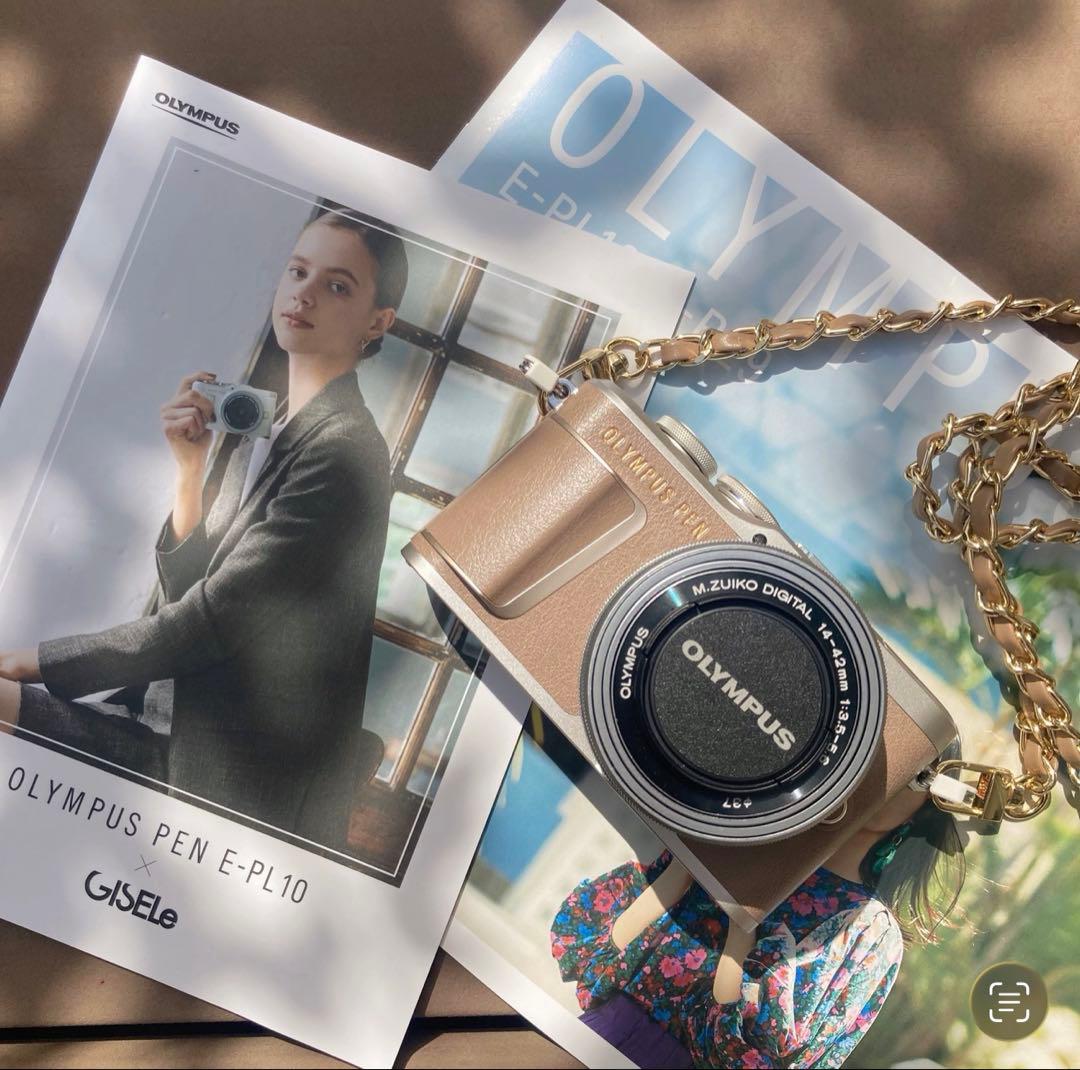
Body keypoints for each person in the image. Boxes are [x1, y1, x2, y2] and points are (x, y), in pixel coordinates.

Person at [0, 207, 408, 850]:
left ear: (377, 322)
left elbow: (209, 620)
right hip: (164, 722)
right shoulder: (269, 427)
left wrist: (34, 662)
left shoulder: (344, 451)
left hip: (222, 776)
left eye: (337, 285)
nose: (303, 293)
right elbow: (194, 590)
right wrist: (190, 473)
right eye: (297, 271)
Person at [550, 741, 967, 1069]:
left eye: (916, 774)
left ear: (929, 804)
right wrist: (691, 864)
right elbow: (595, 948)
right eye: (879, 756)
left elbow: (767, 1055)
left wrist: (741, 927)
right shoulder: (749, 827)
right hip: (596, 1032)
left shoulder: (869, 933)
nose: (889, 776)